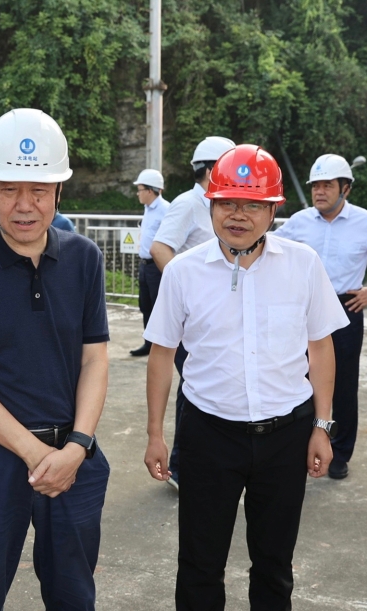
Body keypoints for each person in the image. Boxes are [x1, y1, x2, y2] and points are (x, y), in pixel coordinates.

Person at [143, 144, 346, 610]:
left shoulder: (302, 264)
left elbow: (320, 346)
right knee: (199, 562)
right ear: (210, 205)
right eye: (227, 202)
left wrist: (322, 425)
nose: (238, 215)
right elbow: (161, 354)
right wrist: (156, 434)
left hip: (286, 435)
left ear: (272, 210)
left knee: (275, 564)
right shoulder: (183, 272)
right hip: (208, 434)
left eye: (252, 204)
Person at [0, 108, 111, 611]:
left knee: (75, 596)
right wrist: (35, 455)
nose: (23, 205)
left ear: (58, 192)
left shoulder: (84, 259)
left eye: (38, 191)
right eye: (9, 189)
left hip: (73, 455)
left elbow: (95, 359)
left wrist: (78, 446)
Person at [149, 135, 236, 489]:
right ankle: (181, 466)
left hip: (223, 315)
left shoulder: (224, 204)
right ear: (214, 169)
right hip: (197, 317)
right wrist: (190, 296)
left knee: (213, 382)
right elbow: (159, 247)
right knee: (193, 386)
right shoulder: (189, 203)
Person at [274, 154, 366, 480]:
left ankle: (340, 452)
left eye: (328, 185)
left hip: (346, 309)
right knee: (301, 381)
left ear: (346, 189)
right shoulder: (298, 222)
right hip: (304, 312)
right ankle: (306, 444)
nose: (320, 192)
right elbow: (271, 255)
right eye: (316, 186)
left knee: (343, 385)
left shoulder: (363, 221)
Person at [129, 169, 169, 357]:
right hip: (144, 265)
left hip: (157, 266)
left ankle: (160, 346)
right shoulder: (147, 209)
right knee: (145, 305)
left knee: (158, 306)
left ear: (151, 191)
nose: (138, 193)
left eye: (140, 189)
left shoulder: (166, 210)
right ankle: (148, 343)